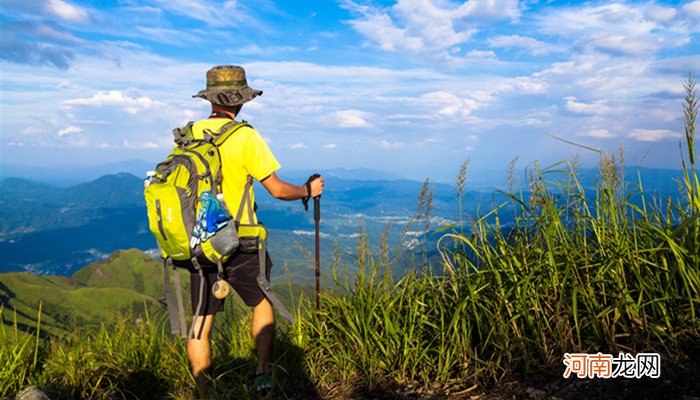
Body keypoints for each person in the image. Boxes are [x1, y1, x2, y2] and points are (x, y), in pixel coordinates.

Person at [185, 65, 324, 397]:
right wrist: (307, 191)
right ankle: (261, 375)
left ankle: (204, 392)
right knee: (262, 304)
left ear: (211, 99)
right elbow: (275, 189)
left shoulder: (188, 135)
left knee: (201, 322)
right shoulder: (244, 136)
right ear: (241, 100)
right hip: (241, 241)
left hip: (199, 243)